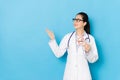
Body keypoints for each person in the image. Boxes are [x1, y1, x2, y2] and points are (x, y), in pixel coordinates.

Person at [46, 12, 99, 80]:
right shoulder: (68, 37)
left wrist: (88, 51)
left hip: (84, 75)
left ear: (84, 23)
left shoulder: (90, 39)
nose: (75, 22)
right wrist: (53, 39)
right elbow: (58, 53)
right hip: (70, 74)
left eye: (78, 20)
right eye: (74, 19)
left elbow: (93, 59)